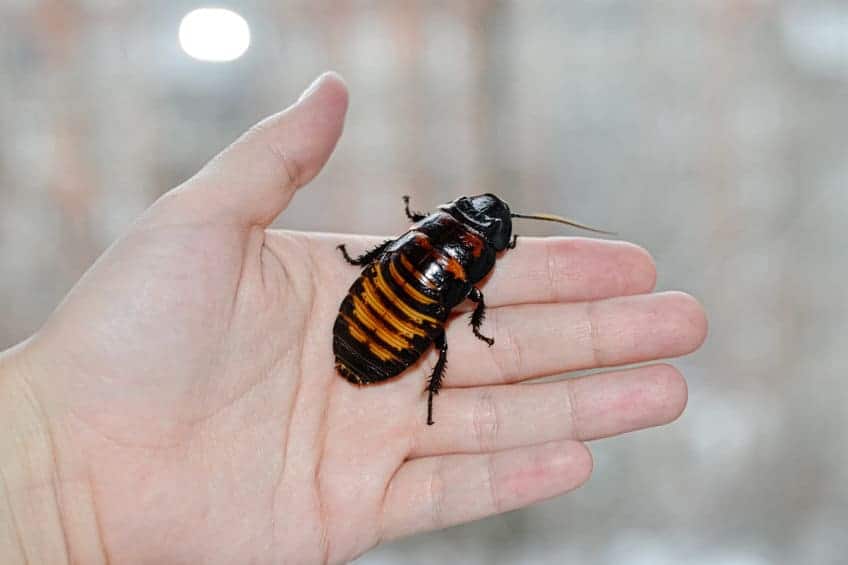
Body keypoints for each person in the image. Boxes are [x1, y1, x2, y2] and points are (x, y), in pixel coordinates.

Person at [0, 72, 707, 564]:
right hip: (392, 316)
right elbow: (459, 297)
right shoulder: (472, 270)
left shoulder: (430, 239)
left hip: (380, 297)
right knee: (437, 333)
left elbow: (399, 256)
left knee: (431, 324)